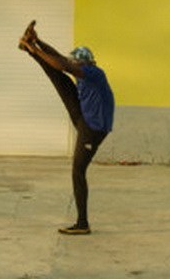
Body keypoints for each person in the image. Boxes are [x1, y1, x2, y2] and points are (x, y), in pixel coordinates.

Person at [19, 21, 115, 235]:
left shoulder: (93, 73)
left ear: (84, 64)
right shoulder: (82, 69)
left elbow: (63, 64)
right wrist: (37, 42)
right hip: (84, 116)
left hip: (94, 128)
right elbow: (61, 61)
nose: (73, 65)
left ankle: (82, 223)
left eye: (75, 64)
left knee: (78, 171)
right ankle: (28, 50)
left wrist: (34, 48)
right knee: (58, 78)